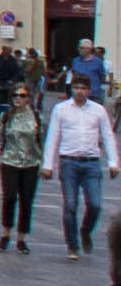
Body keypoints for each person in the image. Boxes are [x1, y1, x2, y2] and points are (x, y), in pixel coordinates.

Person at [46, 76, 119, 258]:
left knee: (94, 204)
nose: (79, 91)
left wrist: (113, 162)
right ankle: (72, 244)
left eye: (83, 88)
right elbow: (53, 137)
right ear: (72, 89)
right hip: (68, 161)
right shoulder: (61, 110)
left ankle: (85, 230)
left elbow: (108, 136)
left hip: (91, 162)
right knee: (70, 205)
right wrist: (48, 164)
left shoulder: (98, 111)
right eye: (76, 87)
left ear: (89, 90)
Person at [0, 78, 44, 255]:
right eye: (15, 95)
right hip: (9, 161)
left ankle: (21, 237)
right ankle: (6, 232)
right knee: (9, 197)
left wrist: (46, 163)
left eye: (22, 95)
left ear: (28, 98)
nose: (18, 99)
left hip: (31, 163)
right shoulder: (6, 116)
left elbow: (42, 141)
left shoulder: (37, 117)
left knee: (27, 200)